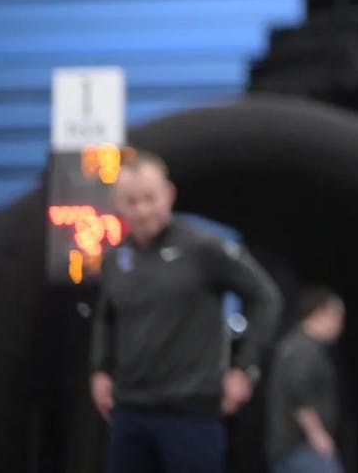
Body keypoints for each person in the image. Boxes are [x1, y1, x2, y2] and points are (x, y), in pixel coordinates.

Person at [89, 149, 283, 473]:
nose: (142, 210)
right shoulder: (115, 259)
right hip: (130, 413)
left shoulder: (203, 248)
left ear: (168, 195)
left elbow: (266, 298)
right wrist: (99, 369)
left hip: (190, 414)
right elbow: (105, 316)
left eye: (149, 199)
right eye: (131, 201)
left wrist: (245, 368)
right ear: (118, 204)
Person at [265, 288, 346, 473]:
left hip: (285, 448)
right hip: (303, 449)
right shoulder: (305, 349)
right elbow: (299, 394)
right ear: (321, 312)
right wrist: (317, 435)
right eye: (338, 316)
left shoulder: (290, 345)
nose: (340, 325)